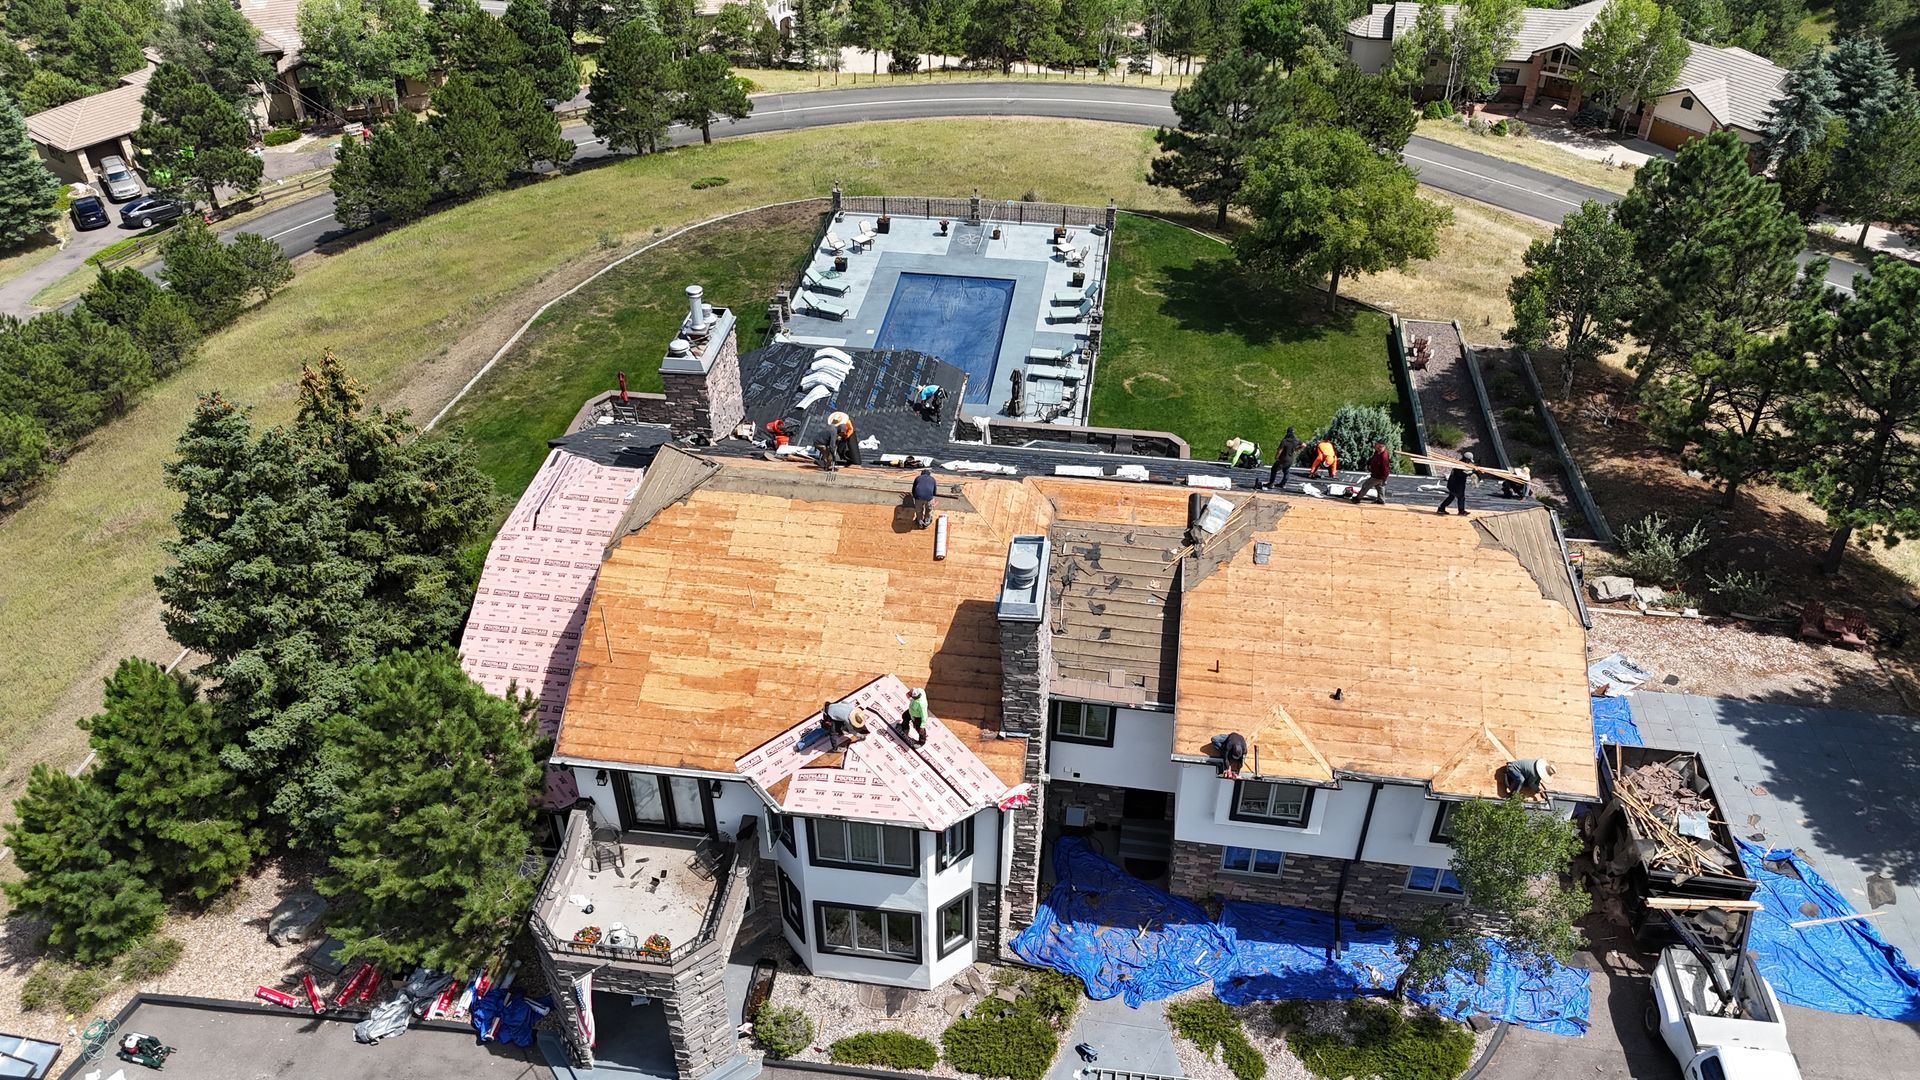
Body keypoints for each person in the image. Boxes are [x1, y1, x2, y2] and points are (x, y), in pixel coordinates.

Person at [1438, 451, 1473, 516]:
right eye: (1469, 460)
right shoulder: (1459, 466)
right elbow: (1462, 474)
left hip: (1452, 484)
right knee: (1461, 498)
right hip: (1456, 486)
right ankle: (1461, 511)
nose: (1469, 462)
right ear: (1466, 459)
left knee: (1451, 497)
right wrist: (1471, 473)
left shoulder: (1459, 463)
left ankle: (1441, 508)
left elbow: (1464, 471)